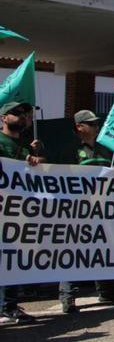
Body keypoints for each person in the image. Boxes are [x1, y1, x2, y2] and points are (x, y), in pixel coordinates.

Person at [58, 110, 114, 313]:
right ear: (79, 127)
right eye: (91, 123)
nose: (96, 126)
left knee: (105, 248)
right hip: (79, 210)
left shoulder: (105, 150)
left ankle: (108, 289)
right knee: (73, 252)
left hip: (104, 210)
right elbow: (62, 179)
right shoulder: (70, 150)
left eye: (97, 123)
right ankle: (68, 296)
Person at [0, 101, 42, 325]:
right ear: (3, 118)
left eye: (24, 114)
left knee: (12, 258)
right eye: (16, 113)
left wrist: (36, 163)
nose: (23, 117)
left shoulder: (26, 147)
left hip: (19, 211)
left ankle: (9, 305)